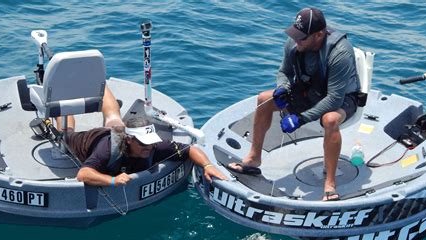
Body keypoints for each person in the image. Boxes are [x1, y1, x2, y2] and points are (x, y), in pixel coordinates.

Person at [227, 8, 360, 201]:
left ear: (319, 35)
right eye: (295, 36)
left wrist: (300, 118)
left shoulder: (340, 53)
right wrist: (283, 88)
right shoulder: (295, 41)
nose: (296, 41)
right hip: (310, 90)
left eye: (302, 38)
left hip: (343, 99)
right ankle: (254, 158)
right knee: (264, 99)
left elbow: (334, 99)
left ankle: (330, 183)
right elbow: (284, 72)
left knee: (330, 119)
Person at [58, 87, 227, 186]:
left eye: (151, 142)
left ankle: (100, 83)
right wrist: (111, 180)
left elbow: (190, 149)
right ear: (129, 140)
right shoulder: (106, 150)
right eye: (144, 144)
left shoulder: (154, 145)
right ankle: (62, 99)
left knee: (114, 120)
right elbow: (84, 174)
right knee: (65, 135)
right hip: (86, 140)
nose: (149, 147)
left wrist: (207, 165)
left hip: (117, 131)